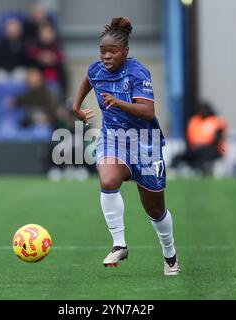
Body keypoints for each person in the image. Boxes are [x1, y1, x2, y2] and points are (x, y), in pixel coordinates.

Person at [72, 17, 180, 275]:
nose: (106, 56)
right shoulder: (97, 70)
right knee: (108, 180)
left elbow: (147, 110)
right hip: (114, 140)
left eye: (112, 52)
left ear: (126, 52)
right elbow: (88, 79)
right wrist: (77, 107)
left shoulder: (137, 72)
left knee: (155, 209)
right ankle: (119, 244)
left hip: (145, 143)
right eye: (103, 52)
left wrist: (118, 103)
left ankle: (170, 255)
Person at [172, 102, 227, 176]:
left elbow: (216, 141)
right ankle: (173, 169)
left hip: (213, 149)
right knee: (180, 156)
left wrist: (203, 147)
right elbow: (188, 138)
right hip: (196, 148)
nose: (202, 112)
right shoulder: (194, 121)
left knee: (204, 156)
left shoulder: (216, 121)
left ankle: (198, 170)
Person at [0, 17, 27, 84]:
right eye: (10, 31)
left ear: (19, 31)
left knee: (21, 74)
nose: (12, 33)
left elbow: (25, 61)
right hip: (3, 70)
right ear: (6, 31)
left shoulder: (24, 43)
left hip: (18, 70)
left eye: (14, 31)